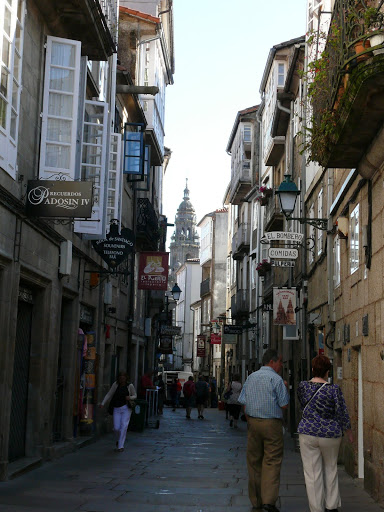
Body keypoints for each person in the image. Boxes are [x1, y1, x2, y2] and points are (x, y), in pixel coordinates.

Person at [297, 355, 353, 512]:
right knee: (331, 468)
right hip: (330, 434)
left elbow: (302, 404)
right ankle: (332, 506)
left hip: (307, 432)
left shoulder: (302, 386)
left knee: (312, 473)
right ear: (328, 372)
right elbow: (342, 412)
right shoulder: (333, 389)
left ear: (313, 369)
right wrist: (348, 431)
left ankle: (316, 508)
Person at [238, 349, 289, 512]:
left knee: (254, 461)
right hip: (271, 424)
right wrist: (285, 388)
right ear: (273, 362)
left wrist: (249, 419)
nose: (281, 366)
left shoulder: (251, 377)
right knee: (272, 460)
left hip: (253, 422)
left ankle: (256, 501)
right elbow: (284, 405)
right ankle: (268, 501)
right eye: (280, 362)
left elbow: (243, 402)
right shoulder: (276, 379)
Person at [100, 371, 137, 452]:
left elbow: (135, 395)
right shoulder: (115, 384)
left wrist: (129, 397)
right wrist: (103, 403)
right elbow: (109, 394)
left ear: (126, 378)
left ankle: (120, 446)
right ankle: (118, 440)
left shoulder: (129, 385)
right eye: (120, 377)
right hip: (116, 408)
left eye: (123, 377)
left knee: (124, 426)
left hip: (126, 408)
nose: (122, 378)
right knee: (116, 428)